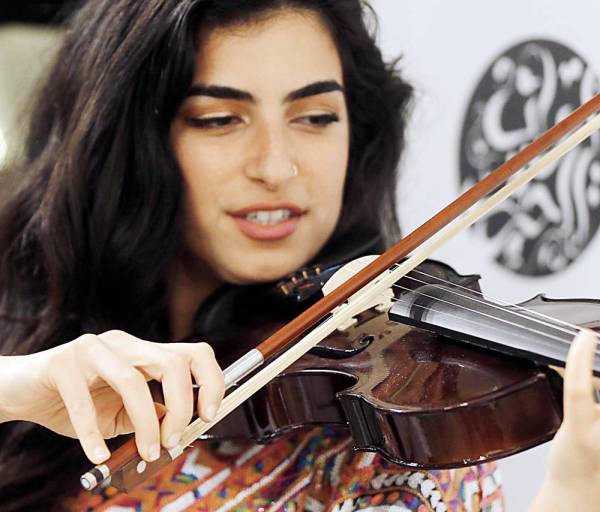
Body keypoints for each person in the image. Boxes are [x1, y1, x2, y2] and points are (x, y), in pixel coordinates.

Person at [0, 0, 597, 510]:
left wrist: (572, 495)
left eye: (315, 117)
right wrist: (17, 387)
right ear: (132, 141)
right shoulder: (25, 337)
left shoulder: (391, 447)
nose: (276, 167)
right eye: (219, 120)